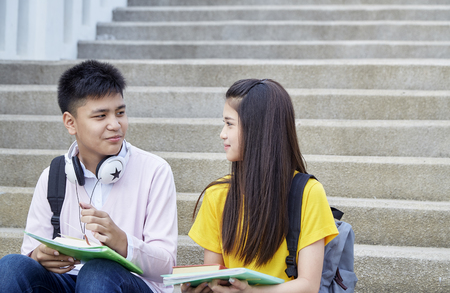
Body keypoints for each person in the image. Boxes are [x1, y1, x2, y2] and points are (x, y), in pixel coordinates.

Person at [0, 60, 178, 293]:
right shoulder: (53, 175)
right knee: (11, 266)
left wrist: (122, 242)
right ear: (70, 122)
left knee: (97, 273)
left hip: (128, 283)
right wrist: (39, 256)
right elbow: (31, 252)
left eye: (120, 113)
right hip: (66, 281)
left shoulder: (155, 170)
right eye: (101, 116)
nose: (115, 125)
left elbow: (167, 267)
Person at [182, 79, 339, 293]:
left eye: (229, 124)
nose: (222, 134)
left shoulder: (308, 192)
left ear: (257, 129)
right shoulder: (218, 194)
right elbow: (214, 274)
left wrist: (252, 292)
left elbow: (308, 285)